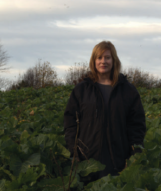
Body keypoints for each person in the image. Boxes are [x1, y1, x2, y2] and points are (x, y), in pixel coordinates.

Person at [63, 41, 146, 181]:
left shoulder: (128, 91)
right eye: (99, 58)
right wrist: (74, 152)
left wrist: (134, 155)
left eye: (107, 57)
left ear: (114, 60)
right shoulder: (81, 90)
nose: (103, 61)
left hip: (119, 159)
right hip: (87, 161)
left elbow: (137, 126)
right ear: (93, 61)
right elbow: (70, 123)